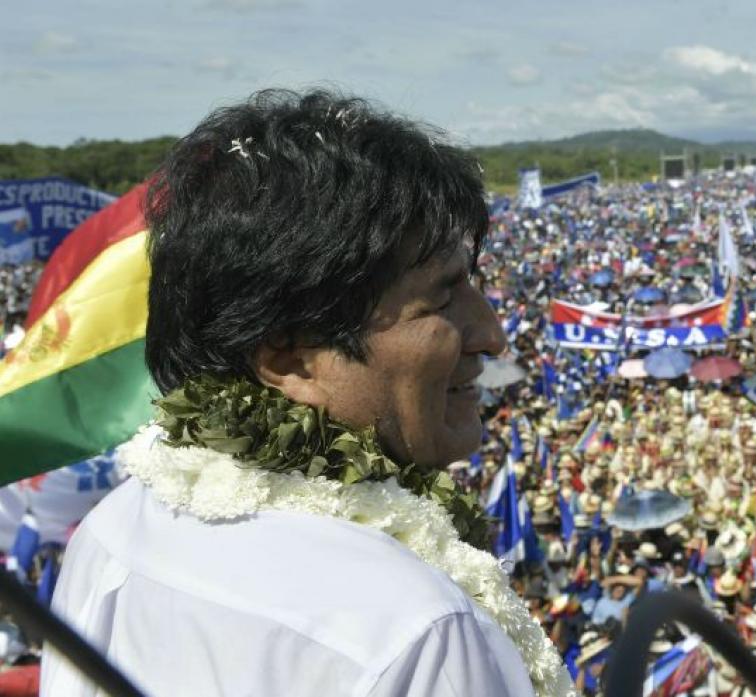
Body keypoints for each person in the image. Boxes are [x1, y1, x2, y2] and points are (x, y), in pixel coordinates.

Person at [42, 90, 572, 696]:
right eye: (443, 297)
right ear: (290, 358)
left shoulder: (111, 530)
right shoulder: (417, 630)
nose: (493, 337)